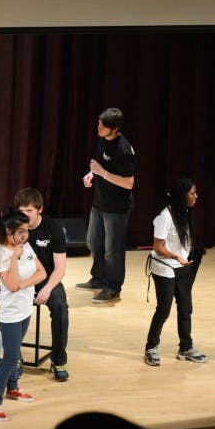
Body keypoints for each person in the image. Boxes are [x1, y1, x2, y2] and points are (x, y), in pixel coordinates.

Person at [0, 207, 47, 421]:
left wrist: (23, 285)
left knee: (15, 352)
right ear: (8, 231)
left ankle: (12, 388)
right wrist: (14, 259)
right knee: (11, 357)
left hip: (25, 308)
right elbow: (11, 286)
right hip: (10, 313)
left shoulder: (25, 245)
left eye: (26, 231)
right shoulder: (1, 254)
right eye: (20, 231)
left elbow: (42, 273)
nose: (24, 235)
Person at [144, 177, 208, 366]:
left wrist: (188, 254)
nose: (196, 196)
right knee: (164, 309)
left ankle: (186, 348)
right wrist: (176, 256)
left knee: (185, 308)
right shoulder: (164, 216)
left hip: (181, 265)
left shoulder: (184, 212)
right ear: (182, 195)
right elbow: (158, 247)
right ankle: (151, 347)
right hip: (165, 267)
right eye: (192, 193)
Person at [77, 108, 135, 303]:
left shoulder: (124, 150)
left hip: (117, 208)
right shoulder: (102, 140)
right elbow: (100, 166)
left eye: (103, 126)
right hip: (99, 202)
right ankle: (98, 279)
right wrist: (91, 174)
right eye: (98, 124)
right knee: (93, 242)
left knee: (113, 250)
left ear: (115, 128)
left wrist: (101, 172)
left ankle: (112, 288)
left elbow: (129, 183)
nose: (98, 128)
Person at [14, 187, 72, 381]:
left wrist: (47, 289)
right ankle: (14, 357)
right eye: (21, 210)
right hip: (21, 278)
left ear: (39, 209)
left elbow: (60, 268)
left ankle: (58, 361)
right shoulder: (14, 227)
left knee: (60, 307)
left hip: (47, 279)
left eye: (29, 210)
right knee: (7, 307)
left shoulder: (53, 228)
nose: (25, 215)